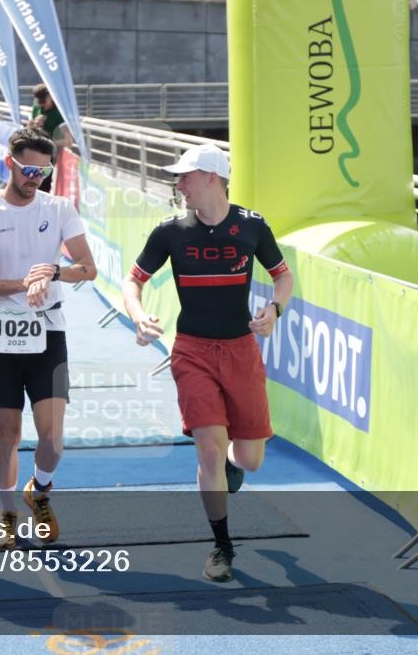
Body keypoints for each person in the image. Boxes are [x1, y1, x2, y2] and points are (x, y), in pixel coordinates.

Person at [121, 144, 294, 582]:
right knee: (209, 448)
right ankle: (221, 545)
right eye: (178, 178)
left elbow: (283, 275)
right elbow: (132, 281)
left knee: (249, 459)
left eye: (186, 177)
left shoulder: (252, 226)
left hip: (240, 350)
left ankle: (235, 468)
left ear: (212, 178)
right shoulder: (170, 231)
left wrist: (274, 309)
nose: (178, 185)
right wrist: (139, 316)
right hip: (192, 351)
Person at [0, 128, 96, 550]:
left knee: (53, 439)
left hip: (48, 331)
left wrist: (53, 272)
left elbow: (88, 269)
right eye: (28, 169)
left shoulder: (59, 209)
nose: (35, 177)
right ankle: (6, 513)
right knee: (9, 436)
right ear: (10, 164)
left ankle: (39, 490)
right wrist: (22, 283)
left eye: (43, 170)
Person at [27, 84, 64, 193]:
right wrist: (33, 125)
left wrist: (49, 141)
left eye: (44, 102)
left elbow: (68, 141)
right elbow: (28, 129)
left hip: (50, 156)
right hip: (34, 153)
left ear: (51, 96)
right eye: (40, 103)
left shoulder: (59, 112)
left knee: (43, 187)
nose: (42, 106)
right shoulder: (36, 107)